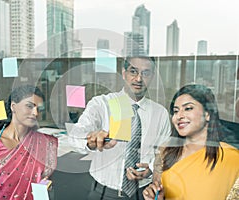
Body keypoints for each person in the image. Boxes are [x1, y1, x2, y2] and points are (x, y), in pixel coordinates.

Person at [69, 56, 171, 200]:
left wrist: (150, 170)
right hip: (104, 193)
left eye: (146, 73)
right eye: (133, 72)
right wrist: (90, 140)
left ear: (152, 77)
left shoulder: (160, 113)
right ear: (124, 73)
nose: (139, 79)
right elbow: (75, 135)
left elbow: (163, 155)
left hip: (143, 194)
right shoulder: (102, 104)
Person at [143, 84, 239, 200]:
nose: (179, 116)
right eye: (175, 111)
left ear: (207, 114)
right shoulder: (165, 152)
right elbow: (157, 191)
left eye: (188, 108)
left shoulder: (232, 158)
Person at [0, 85, 58, 200]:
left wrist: (45, 186)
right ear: (13, 107)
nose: (36, 113)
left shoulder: (47, 143)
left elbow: (46, 181)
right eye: (29, 106)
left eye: (40, 109)